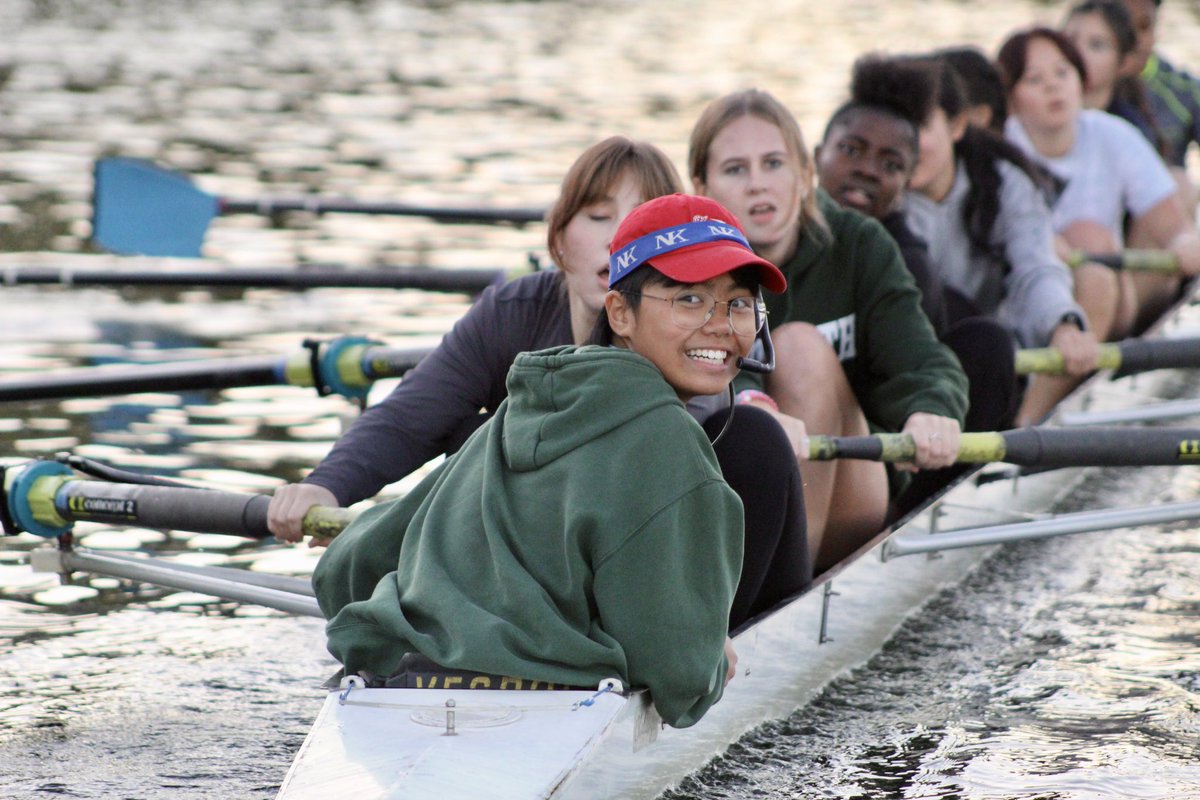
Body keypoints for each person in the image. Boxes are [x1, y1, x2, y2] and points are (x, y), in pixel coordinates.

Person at [270, 136, 811, 624]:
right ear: (558, 242)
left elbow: (645, 466)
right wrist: (327, 485)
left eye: (637, 220)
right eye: (599, 217)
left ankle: (713, 634)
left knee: (756, 443)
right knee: (471, 434)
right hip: (560, 553)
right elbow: (414, 415)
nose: (616, 239)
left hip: (670, 550)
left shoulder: (695, 337)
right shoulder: (514, 310)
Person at [312, 192, 789, 729]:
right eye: (689, 300)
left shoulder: (521, 409)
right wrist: (712, 663)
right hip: (549, 710)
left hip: (403, 691)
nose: (722, 324)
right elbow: (680, 687)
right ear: (620, 312)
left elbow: (345, 567)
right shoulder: (672, 451)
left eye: (740, 304)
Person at [688, 88, 968, 572]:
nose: (758, 185)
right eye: (736, 170)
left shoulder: (858, 244)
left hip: (850, 484)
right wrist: (756, 408)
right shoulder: (683, 268)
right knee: (753, 425)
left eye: (773, 163)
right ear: (702, 187)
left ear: (803, 173)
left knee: (798, 346)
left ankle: (782, 593)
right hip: (727, 486)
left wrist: (930, 410)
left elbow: (924, 360)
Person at [815, 53, 1021, 438]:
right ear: (815, 157)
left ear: (909, 181)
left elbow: (894, 387)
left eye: (890, 165)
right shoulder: (775, 236)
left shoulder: (908, 265)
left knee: (988, 343)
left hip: (873, 446)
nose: (867, 170)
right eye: (851, 151)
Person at [903, 54, 1102, 427]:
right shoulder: (876, 192)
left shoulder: (1005, 180)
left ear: (957, 125)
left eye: (920, 128)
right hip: (909, 362)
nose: (904, 145)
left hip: (991, 354)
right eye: (897, 128)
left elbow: (1036, 266)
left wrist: (1063, 325)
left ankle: (1021, 425)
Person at [998, 26, 1200, 335]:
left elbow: (1174, 228)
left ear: (1081, 81)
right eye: (1034, 79)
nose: (1052, 86)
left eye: (1062, 73)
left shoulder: (1113, 134)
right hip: (1022, 300)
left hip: (1110, 291)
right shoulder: (999, 150)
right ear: (1010, 99)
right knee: (1087, 240)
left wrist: (1184, 245)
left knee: (1092, 244)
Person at [1117, 0, 1200, 213]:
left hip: (1162, 216)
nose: (1133, 39)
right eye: (1121, 25)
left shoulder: (1186, 90)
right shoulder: (1073, 85)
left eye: (1144, 26)